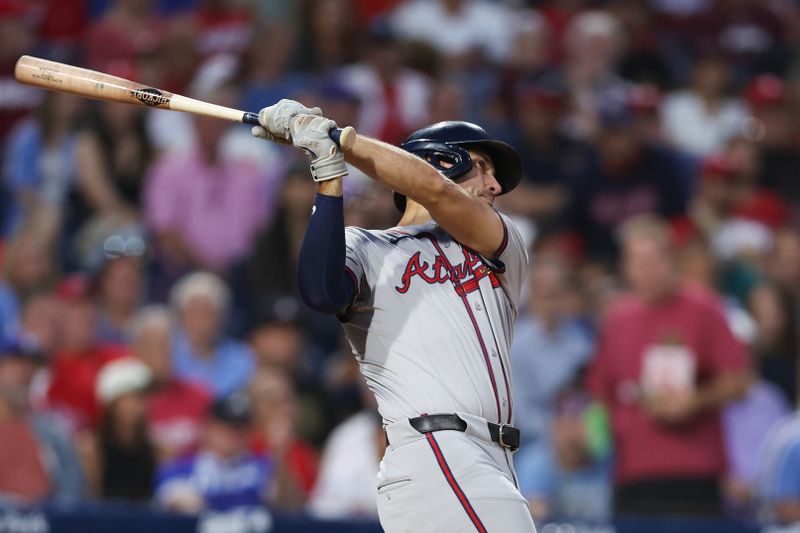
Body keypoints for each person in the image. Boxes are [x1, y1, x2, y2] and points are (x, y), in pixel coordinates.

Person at [251, 100, 535, 531]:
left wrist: (338, 140)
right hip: (435, 449)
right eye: (482, 167)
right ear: (443, 161)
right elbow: (320, 291)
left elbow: (437, 191)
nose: (495, 186)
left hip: (490, 461)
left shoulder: (499, 243)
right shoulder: (365, 247)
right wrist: (328, 174)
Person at [587, 214, 752, 516]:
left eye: (654, 261)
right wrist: (596, 439)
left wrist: (695, 401)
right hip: (633, 475)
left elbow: (740, 379)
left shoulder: (703, 308)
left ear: (671, 260)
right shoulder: (617, 319)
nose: (646, 271)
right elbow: (600, 394)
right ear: (625, 268)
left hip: (695, 473)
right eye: (637, 262)